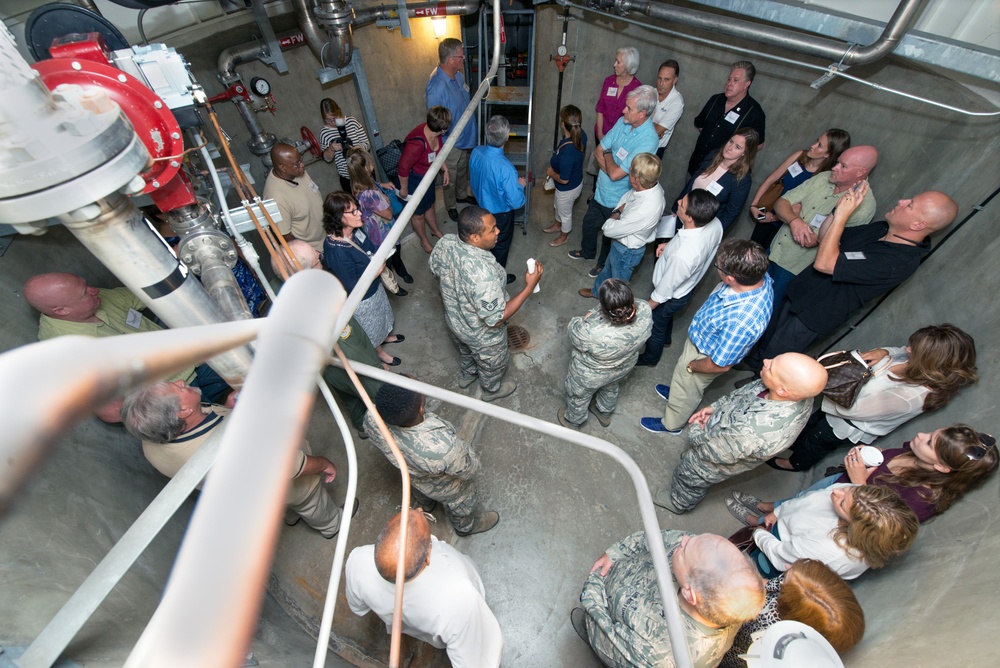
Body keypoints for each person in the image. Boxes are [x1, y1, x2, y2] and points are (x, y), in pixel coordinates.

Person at [741, 184, 959, 375]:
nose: (901, 201)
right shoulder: (881, 228)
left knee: (776, 358)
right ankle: (750, 365)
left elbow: (825, 264)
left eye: (910, 205)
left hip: (813, 316)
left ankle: (757, 387)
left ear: (918, 225)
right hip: (800, 292)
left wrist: (844, 217)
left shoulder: (897, 262)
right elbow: (827, 238)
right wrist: (837, 211)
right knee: (765, 337)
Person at [121, 380, 358, 538]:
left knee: (284, 506)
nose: (182, 382)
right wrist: (324, 463)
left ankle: (292, 517)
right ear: (183, 412)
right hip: (281, 483)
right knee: (309, 499)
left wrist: (227, 408)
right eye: (178, 388)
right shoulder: (236, 441)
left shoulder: (151, 442)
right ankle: (332, 525)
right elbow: (293, 466)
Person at [769, 323, 978, 473]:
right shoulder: (911, 359)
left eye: (915, 350)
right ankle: (792, 443)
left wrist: (821, 385)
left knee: (814, 443)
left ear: (930, 363)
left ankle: (795, 464)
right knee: (807, 427)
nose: (907, 349)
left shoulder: (909, 397)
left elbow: (853, 410)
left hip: (845, 424)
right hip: (835, 408)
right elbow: (896, 352)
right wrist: (882, 351)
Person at [25, 272, 231, 421]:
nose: (94, 290)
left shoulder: (97, 299)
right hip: (178, 397)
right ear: (61, 310)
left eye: (86, 284)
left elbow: (145, 293)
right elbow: (111, 412)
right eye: (84, 293)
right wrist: (167, 407)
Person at [653, 353, 827, 514]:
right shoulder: (790, 390)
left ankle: (679, 502)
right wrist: (715, 408)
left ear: (783, 391)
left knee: (691, 478)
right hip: (722, 435)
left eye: (772, 366)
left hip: (713, 459)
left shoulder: (756, 432)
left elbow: (715, 453)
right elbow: (740, 395)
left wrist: (696, 429)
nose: (766, 361)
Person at [572, 530, 764, 668]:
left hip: (602, 614)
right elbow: (659, 538)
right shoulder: (721, 595)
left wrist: (595, 583)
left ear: (689, 593)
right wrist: (617, 552)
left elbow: (607, 640)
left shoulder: (659, 655)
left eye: (685, 547)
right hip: (622, 580)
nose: (685, 539)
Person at [741, 425, 998, 527]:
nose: (920, 435)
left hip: (842, 509)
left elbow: (877, 524)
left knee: (796, 517)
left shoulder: (922, 499)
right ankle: (767, 508)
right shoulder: (918, 452)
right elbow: (889, 455)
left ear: (942, 468)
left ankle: (761, 525)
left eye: (929, 442)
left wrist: (858, 481)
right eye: (932, 433)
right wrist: (873, 453)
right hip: (838, 484)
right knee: (801, 498)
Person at [641, 239, 773, 434]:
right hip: (703, 341)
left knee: (689, 388)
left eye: (719, 266)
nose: (717, 269)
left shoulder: (743, 320)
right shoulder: (756, 276)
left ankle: (672, 424)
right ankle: (678, 392)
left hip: (703, 357)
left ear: (731, 278)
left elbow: (720, 364)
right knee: (682, 383)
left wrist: (692, 366)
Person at [345, 510, 503, 667]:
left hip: (417, 628)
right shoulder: (460, 599)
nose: (419, 509)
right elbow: (479, 661)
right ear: (428, 556)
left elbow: (358, 607)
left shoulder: (357, 560)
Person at [270, 240, 382, 440]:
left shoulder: (278, 286)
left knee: (348, 395)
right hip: (346, 356)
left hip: (322, 363)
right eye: (316, 259)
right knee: (375, 390)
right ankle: (383, 426)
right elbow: (352, 353)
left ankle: (361, 424)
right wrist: (374, 370)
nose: (319, 253)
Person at [429, 206, 543, 401]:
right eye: (492, 230)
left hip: (456, 323)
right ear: (474, 237)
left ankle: (467, 375)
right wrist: (528, 287)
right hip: (482, 335)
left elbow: (434, 269)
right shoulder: (482, 275)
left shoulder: (445, 242)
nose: (498, 231)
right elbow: (496, 319)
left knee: (465, 351)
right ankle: (491, 390)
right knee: (493, 364)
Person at [363, 383, 499, 535]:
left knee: (418, 483)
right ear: (421, 408)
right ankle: (465, 527)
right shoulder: (442, 448)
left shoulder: (371, 418)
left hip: (412, 474)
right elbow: (469, 470)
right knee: (462, 501)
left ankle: (426, 503)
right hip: (445, 487)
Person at [762, 145, 878, 309]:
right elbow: (781, 203)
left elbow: (817, 241)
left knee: (767, 311)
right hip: (773, 250)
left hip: (792, 270)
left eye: (843, 166)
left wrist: (793, 213)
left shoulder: (863, 207)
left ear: (860, 172)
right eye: (838, 162)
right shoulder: (824, 177)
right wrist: (795, 221)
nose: (835, 167)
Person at [569, 84, 659, 278]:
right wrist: (611, 166)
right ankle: (587, 252)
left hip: (619, 199)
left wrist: (609, 161)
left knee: (610, 237)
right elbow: (599, 150)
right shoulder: (623, 121)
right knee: (589, 224)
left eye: (629, 108)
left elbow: (616, 174)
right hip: (601, 190)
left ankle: (602, 265)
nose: (623, 110)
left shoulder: (649, 140)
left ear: (642, 113)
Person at [750, 484, 919, 580]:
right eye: (848, 490)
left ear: (855, 527)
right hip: (780, 524)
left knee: (750, 566)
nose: (837, 492)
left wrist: (759, 534)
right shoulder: (861, 499)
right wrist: (778, 512)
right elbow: (806, 501)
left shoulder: (833, 552)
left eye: (843, 502)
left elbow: (780, 556)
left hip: (775, 551)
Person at [719, 559, 864, 668]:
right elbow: (770, 584)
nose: (787, 566)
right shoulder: (799, 595)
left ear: (788, 603)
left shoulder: (763, 623)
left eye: (787, 575)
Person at [636, 190, 723, 367]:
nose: (678, 202)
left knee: (656, 324)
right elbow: (689, 238)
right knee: (665, 318)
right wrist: (669, 246)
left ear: (690, 217)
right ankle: (666, 339)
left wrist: (644, 308)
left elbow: (664, 291)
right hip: (686, 286)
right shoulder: (714, 223)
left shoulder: (684, 256)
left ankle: (650, 358)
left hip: (672, 294)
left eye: (682, 204)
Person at [322, 192, 403, 368]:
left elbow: (368, 246)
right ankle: (380, 353)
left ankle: (386, 335)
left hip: (375, 289)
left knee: (382, 315)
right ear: (338, 218)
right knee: (371, 329)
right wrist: (378, 268)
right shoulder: (337, 250)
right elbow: (353, 285)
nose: (360, 213)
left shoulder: (355, 230)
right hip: (363, 300)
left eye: (357, 208)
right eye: (353, 212)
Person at [559, 279, 652, 429]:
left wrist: (588, 316)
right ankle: (604, 412)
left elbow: (573, 329)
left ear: (604, 307)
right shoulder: (645, 309)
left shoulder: (590, 331)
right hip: (624, 366)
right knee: (611, 386)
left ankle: (573, 421)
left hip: (590, 375)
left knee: (578, 396)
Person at [748, 129, 851, 250]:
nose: (812, 146)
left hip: (787, 227)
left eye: (819, 145)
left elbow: (802, 208)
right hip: (767, 214)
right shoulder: (799, 156)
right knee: (750, 250)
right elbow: (772, 179)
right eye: (817, 141)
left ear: (828, 154)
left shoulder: (824, 178)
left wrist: (773, 218)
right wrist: (754, 206)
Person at [580, 152, 664, 299]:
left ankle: (611, 309)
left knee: (618, 287)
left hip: (626, 252)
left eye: (631, 169)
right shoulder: (650, 187)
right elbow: (626, 198)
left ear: (636, 179)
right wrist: (619, 210)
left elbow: (609, 230)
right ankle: (597, 292)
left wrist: (617, 212)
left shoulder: (644, 209)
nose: (628, 168)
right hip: (621, 246)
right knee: (607, 270)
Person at [426, 37, 478, 222]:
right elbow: (435, 121)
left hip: (465, 136)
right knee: (452, 175)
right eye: (461, 56)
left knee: (463, 169)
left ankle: (461, 195)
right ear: (451, 60)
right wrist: (441, 145)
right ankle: (451, 205)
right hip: (451, 140)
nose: (464, 59)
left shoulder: (458, 75)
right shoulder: (436, 87)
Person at [469, 114, 526, 278]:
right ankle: (498, 277)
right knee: (500, 246)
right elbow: (516, 202)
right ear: (507, 137)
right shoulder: (506, 168)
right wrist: (520, 186)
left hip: (480, 208)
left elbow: (473, 179)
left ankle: (483, 271)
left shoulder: (476, 152)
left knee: (483, 243)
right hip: (500, 216)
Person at [687, 61, 766, 177]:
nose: (729, 84)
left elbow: (758, 145)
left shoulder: (754, 113)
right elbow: (701, 125)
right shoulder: (715, 100)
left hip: (720, 174)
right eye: (729, 79)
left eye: (735, 80)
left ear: (746, 84)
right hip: (696, 166)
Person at [674, 127, 759, 231]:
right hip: (682, 216)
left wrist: (711, 234)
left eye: (737, 147)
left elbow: (731, 212)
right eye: (731, 141)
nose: (730, 147)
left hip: (703, 228)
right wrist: (675, 208)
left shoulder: (742, 179)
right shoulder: (713, 155)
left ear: (744, 153)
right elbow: (691, 183)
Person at [347, 148, 412, 285]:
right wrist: (385, 199)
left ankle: (401, 270)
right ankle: (393, 283)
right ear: (365, 168)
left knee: (396, 253)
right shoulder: (369, 195)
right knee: (388, 258)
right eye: (370, 162)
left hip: (378, 228)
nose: (373, 164)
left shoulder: (361, 182)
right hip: (382, 232)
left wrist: (381, 185)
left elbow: (373, 185)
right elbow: (388, 214)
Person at [397, 106, 452, 254]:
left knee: (429, 205)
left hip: (428, 177)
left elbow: (439, 152)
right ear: (441, 128)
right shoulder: (417, 144)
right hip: (414, 180)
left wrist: (445, 170)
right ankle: (424, 240)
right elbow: (403, 168)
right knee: (418, 214)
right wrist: (404, 188)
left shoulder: (435, 134)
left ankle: (435, 231)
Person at [263, 143, 325, 252]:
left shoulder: (297, 172)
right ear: (283, 167)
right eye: (297, 164)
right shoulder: (276, 198)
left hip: (327, 235)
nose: (302, 165)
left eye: (301, 160)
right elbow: (285, 235)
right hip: (316, 249)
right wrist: (311, 254)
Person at [543, 105, 587, 248]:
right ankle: (557, 224)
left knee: (565, 213)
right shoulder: (581, 134)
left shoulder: (568, 153)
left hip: (567, 188)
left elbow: (564, 179)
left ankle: (564, 236)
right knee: (558, 206)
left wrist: (551, 173)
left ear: (563, 124)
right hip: (572, 183)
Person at [593, 46, 642, 148]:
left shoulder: (637, 88)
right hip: (602, 132)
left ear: (628, 66)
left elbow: (634, 118)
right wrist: (600, 134)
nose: (614, 65)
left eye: (618, 62)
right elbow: (600, 109)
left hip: (620, 139)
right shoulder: (608, 81)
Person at [319, 97, 370, 193]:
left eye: (334, 118)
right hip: (347, 178)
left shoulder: (352, 122)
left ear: (339, 112)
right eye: (328, 120)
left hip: (365, 171)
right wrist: (331, 149)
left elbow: (367, 144)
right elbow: (327, 158)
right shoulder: (324, 133)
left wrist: (357, 149)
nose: (332, 123)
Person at [652, 59, 684, 159]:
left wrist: (641, 122)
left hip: (655, 150)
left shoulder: (677, 102)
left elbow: (657, 131)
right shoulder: (650, 92)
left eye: (666, 80)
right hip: (636, 142)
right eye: (659, 78)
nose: (661, 84)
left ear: (675, 80)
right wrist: (653, 126)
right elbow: (632, 118)